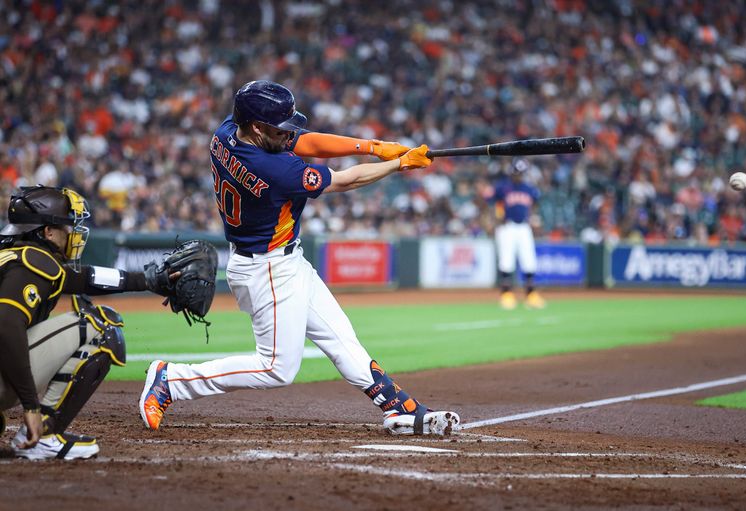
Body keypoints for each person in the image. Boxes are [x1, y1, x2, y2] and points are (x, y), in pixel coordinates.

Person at [139, 80, 460, 435]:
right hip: (267, 269)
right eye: (279, 128)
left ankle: (396, 407)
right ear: (258, 128)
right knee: (276, 367)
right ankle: (172, 380)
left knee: (340, 339)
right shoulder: (274, 170)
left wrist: (374, 147)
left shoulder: (227, 131)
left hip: (285, 262)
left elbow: (305, 141)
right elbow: (345, 181)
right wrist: (398, 164)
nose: (288, 135)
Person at [0, 185, 176, 459]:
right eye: (66, 226)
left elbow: (86, 278)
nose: (72, 233)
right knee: (101, 326)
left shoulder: (15, 256)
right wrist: (30, 405)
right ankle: (44, 434)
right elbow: (7, 323)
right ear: (47, 231)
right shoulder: (34, 262)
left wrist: (148, 280)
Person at [491, 158, 546, 310]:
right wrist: (496, 218)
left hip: (523, 227)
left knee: (529, 260)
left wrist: (534, 219)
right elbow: (493, 203)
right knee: (506, 261)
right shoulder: (503, 187)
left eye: (520, 173)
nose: (518, 176)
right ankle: (506, 295)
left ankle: (531, 295)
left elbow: (534, 205)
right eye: (516, 173)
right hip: (507, 227)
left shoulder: (529, 188)